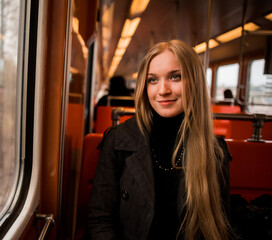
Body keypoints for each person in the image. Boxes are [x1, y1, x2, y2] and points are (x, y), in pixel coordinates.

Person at [88, 40, 233, 239]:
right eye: (152, 80)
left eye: (175, 77)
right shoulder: (118, 141)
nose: (163, 90)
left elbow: (219, 226)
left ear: (195, 81)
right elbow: (100, 221)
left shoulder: (214, 151)